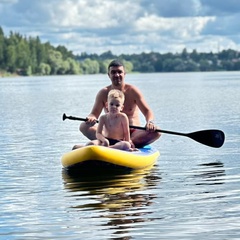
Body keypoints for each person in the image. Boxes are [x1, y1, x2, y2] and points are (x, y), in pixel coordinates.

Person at [78, 59, 161, 148]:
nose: (116, 75)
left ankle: (128, 143)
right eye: (113, 72)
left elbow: (147, 111)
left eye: (119, 72)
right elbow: (94, 113)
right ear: (109, 75)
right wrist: (91, 118)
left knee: (157, 132)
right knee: (84, 126)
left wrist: (150, 122)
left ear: (124, 74)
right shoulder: (103, 93)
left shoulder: (133, 91)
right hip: (110, 133)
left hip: (132, 133)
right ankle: (111, 143)